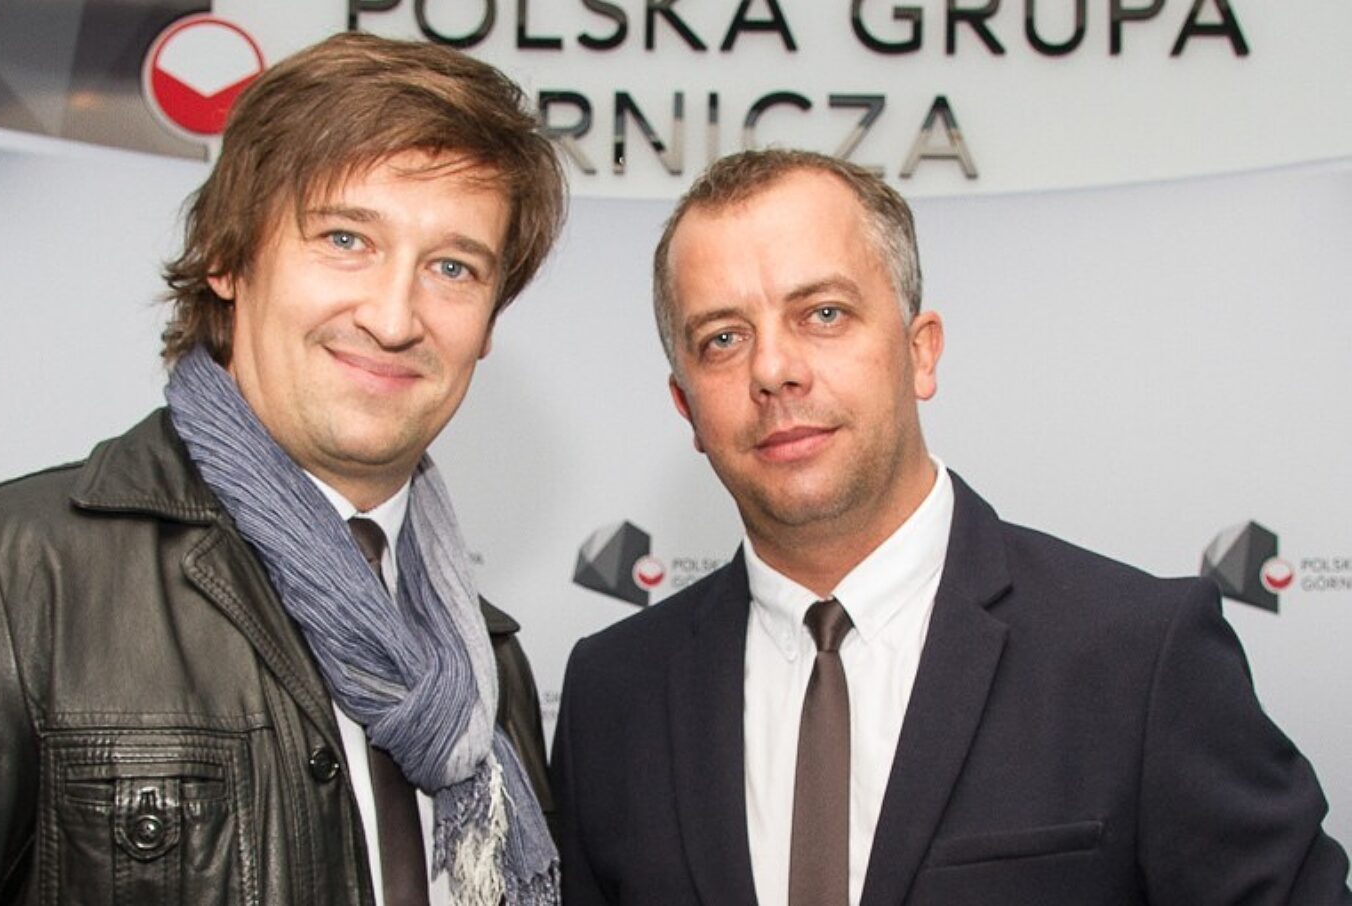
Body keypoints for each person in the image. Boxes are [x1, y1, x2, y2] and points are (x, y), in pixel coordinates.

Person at [0, 31, 566, 906]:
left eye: (453, 267)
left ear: (489, 322)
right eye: (346, 239)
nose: (393, 315)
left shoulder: (482, 665)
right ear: (228, 257)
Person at [551, 149, 1351, 905]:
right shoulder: (614, 694)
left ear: (921, 352)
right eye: (723, 339)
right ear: (687, 405)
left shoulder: (1138, 657)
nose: (773, 371)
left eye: (823, 314)